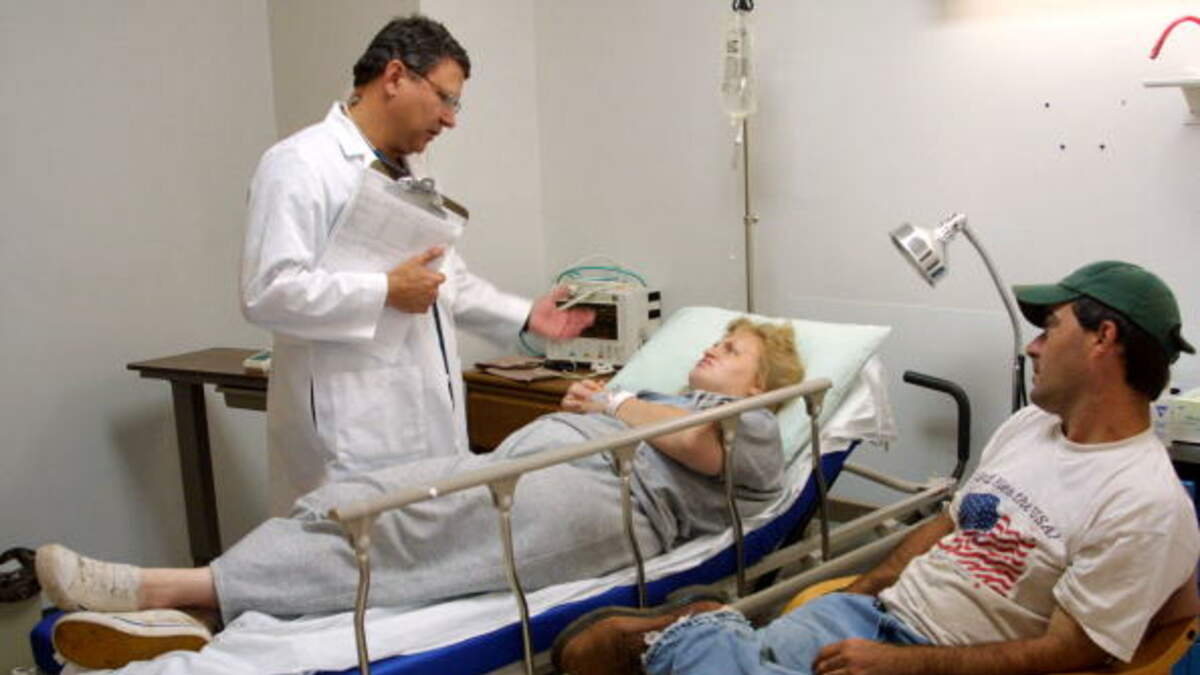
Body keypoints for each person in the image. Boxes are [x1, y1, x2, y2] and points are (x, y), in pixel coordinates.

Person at [37, 318, 805, 669]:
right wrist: (602, 404)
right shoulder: (655, 395)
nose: (713, 347)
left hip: (607, 504)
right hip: (534, 466)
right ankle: (202, 612)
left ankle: (158, 587)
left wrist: (612, 403)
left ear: (762, 382)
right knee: (359, 495)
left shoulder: (758, 419)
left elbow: (697, 444)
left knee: (411, 530)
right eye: (717, 338)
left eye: (733, 348)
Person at [555, 260, 1200, 675]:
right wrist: (857, 592)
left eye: (1049, 327)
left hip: (940, 660)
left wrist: (899, 663)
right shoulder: (1030, 428)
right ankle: (705, 639)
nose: (1032, 345)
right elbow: (948, 523)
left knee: (729, 661)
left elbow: (1071, 651)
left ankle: (693, 637)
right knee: (767, 652)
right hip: (871, 618)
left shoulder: (1143, 502)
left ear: (1103, 339)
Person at [240, 15, 592, 513]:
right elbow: (267, 292)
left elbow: (446, 282)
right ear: (395, 76)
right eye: (445, 99)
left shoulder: (412, 170)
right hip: (348, 433)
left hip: (425, 418)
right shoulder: (300, 164)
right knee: (354, 552)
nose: (450, 119)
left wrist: (526, 316)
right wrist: (384, 291)